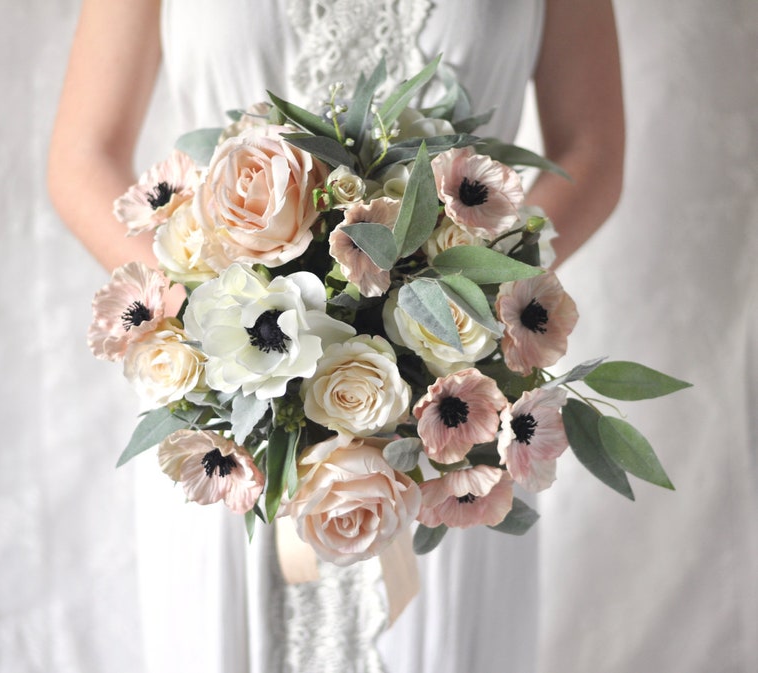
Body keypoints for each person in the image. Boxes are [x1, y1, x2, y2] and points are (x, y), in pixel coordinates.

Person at [47, 2, 623, 672]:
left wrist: (467, 308)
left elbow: (593, 151)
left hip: (459, 419)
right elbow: (81, 156)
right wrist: (212, 318)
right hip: (230, 425)